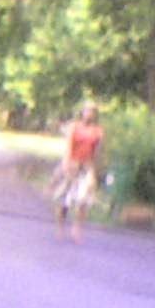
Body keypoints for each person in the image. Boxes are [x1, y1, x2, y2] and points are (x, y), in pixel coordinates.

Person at [53, 101, 104, 242]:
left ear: (95, 115)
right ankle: (60, 227)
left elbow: (98, 152)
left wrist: (95, 171)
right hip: (72, 165)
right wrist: (67, 164)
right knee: (65, 200)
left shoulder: (97, 131)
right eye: (87, 111)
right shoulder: (74, 127)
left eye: (92, 112)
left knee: (83, 200)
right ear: (82, 112)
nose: (89, 114)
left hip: (87, 166)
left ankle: (77, 229)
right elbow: (68, 147)